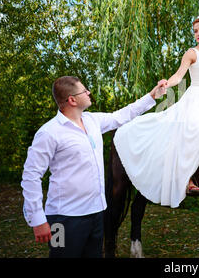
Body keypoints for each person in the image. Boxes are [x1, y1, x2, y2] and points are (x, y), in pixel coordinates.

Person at [21, 76, 166, 258]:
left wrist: (153, 95)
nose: (88, 93)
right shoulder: (49, 133)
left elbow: (122, 116)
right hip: (63, 218)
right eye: (84, 91)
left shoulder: (92, 121)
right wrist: (37, 219)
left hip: (96, 213)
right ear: (72, 100)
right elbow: (31, 176)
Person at [113, 15, 199, 208]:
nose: (198, 34)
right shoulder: (191, 53)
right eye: (195, 30)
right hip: (193, 99)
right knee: (192, 130)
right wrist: (166, 83)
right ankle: (187, 178)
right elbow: (179, 77)